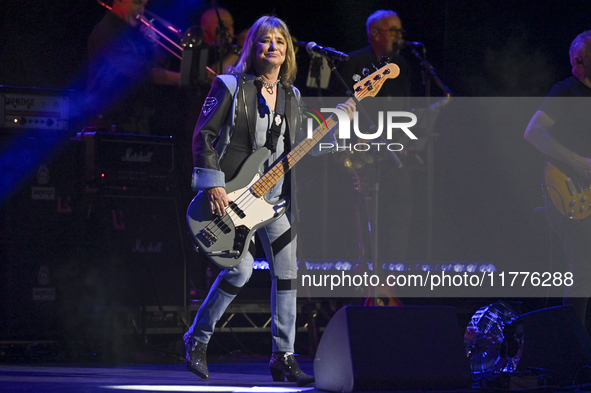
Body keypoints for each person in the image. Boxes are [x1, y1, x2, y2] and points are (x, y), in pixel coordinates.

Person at [183, 15, 355, 383]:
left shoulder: (292, 97)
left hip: (275, 202)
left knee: (288, 275)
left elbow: (310, 146)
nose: (273, 45)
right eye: (265, 40)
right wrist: (213, 184)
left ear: (288, 51)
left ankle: (284, 355)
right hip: (232, 195)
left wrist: (338, 122)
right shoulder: (229, 85)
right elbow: (204, 136)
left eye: (280, 40)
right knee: (241, 269)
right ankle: (197, 338)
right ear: (253, 48)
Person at [329, 10, 415, 263]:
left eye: (401, 31)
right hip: (359, 155)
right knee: (359, 217)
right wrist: (355, 139)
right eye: (393, 31)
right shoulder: (353, 63)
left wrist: (405, 139)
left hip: (392, 152)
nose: (399, 37)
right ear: (374, 33)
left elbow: (405, 109)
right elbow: (338, 107)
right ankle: (359, 274)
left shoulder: (404, 66)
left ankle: (392, 275)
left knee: (399, 212)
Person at [524, 31, 591, 326]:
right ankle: (570, 350)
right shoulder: (566, 92)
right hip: (571, 190)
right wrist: (577, 161)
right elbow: (533, 132)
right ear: (578, 61)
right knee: (584, 272)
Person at [87, 0, 180, 134]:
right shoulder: (105, 31)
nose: (141, 11)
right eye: (137, 3)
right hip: (111, 125)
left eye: (144, 5)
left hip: (137, 122)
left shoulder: (135, 32)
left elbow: (161, 64)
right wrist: (183, 78)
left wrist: (153, 43)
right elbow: (143, 73)